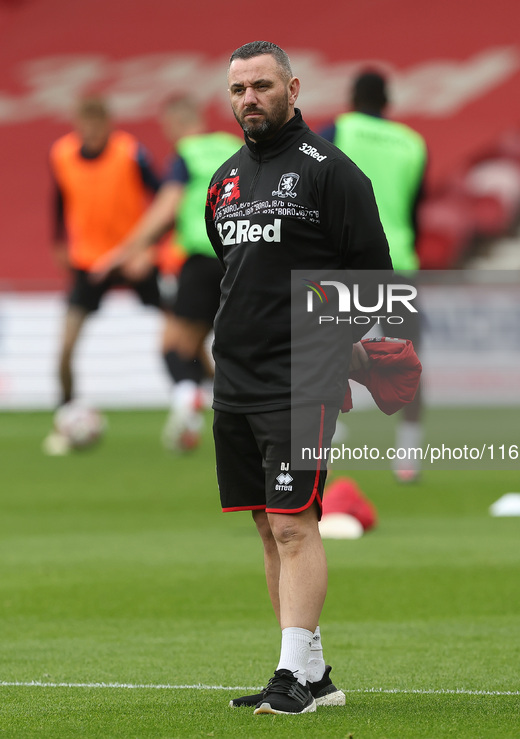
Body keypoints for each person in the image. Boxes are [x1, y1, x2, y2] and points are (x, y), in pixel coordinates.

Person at [205, 41, 393, 715]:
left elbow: (373, 281)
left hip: (299, 377)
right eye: (237, 90)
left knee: (293, 523)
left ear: (292, 86)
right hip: (235, 378)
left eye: (260, 85)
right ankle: (311, 672)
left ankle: (288, 680)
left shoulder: (330, 173)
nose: (248, 99)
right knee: (265, 523)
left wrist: (334, 349)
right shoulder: (222, 180)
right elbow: (232, 274)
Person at [92, 95, 242, 451]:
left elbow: (165, 210)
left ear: (175, 124)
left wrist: (121, 253)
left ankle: (190, 402)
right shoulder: (235, 148)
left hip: (203, 260)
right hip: (242, 257)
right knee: (216, 348)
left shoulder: (185, 156)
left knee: (174, 346)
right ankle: (218, 412)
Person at [321, 70, 428, 482]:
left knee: (323, 352)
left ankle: (322, 437)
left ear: (352, 97)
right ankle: (409, 456)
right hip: (399, 262)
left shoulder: (339, 129)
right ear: (388, 102)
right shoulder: (413, 143)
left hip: (348, 264)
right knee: (409, 361)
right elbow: (414, 209)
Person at [46, 95, 161, 440]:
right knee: (65, 347)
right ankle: (66, 414)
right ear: (77, 125)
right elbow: (59, 198)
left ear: (109, 124)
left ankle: (213, 399)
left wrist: (150, 248)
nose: (92, 132)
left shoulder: (130, 151)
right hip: (90, 261)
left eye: (98, 125)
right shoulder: (61, 154)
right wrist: (59, 242)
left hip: (132, 256)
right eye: (86, 125)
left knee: (183, 331)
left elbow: (161, 195)